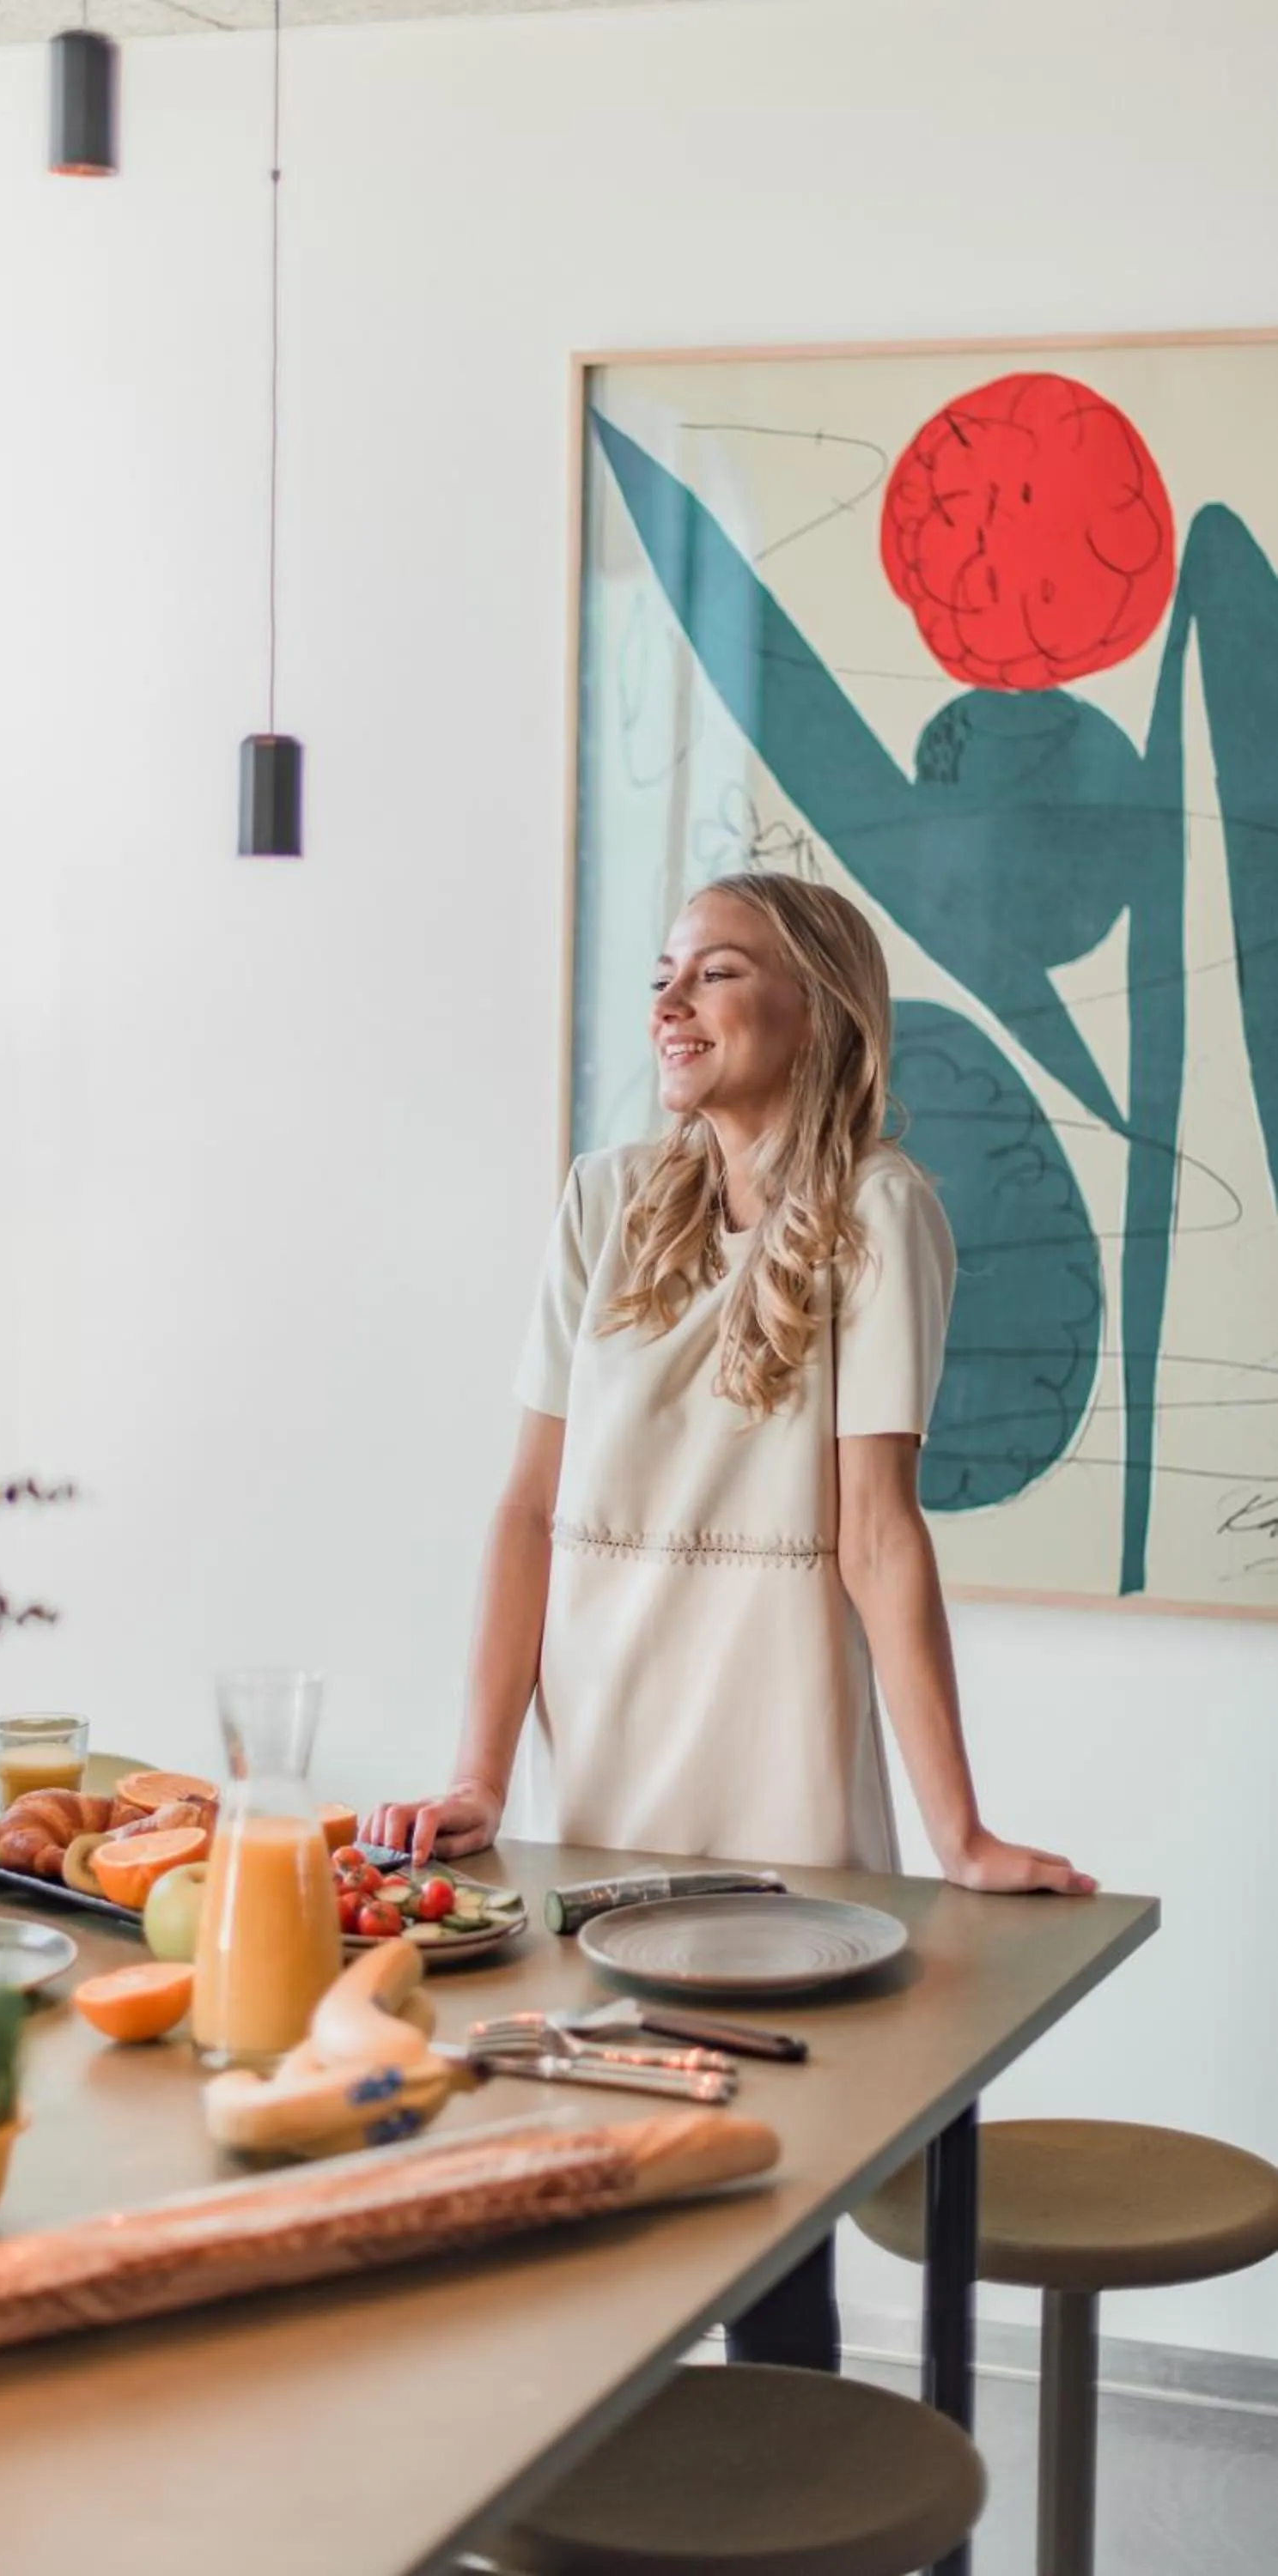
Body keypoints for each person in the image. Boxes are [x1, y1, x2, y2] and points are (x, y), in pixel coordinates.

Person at [364, 871, 1095, 2372]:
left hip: (776, 1770)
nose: (669, 1001)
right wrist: (479, 1778)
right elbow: (523, 1511)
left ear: (817, 1008)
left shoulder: (883, 1213)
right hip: (611, 1762)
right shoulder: (603, 1200)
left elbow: (875, 1534)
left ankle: (783, 2514)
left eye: (716, 972)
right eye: (662, 973)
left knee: (765, 2209)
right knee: (605, 2181)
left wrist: (957, 1836)